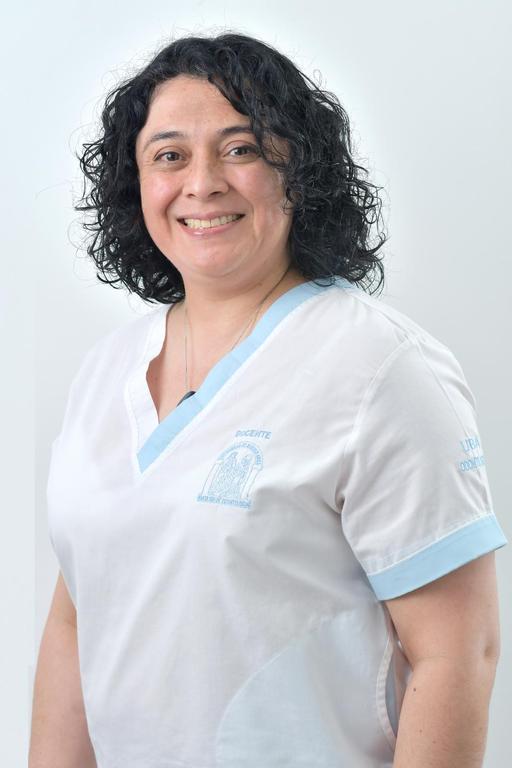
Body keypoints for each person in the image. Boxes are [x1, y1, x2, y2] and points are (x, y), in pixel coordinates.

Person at [29, 31, 507, 768]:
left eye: (241, 148)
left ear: (298, 171)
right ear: (136, 185)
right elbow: (76, 620)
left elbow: (457, 654)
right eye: (169, 156)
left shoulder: (379, 368)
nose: (202, 183)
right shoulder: (106, 371)